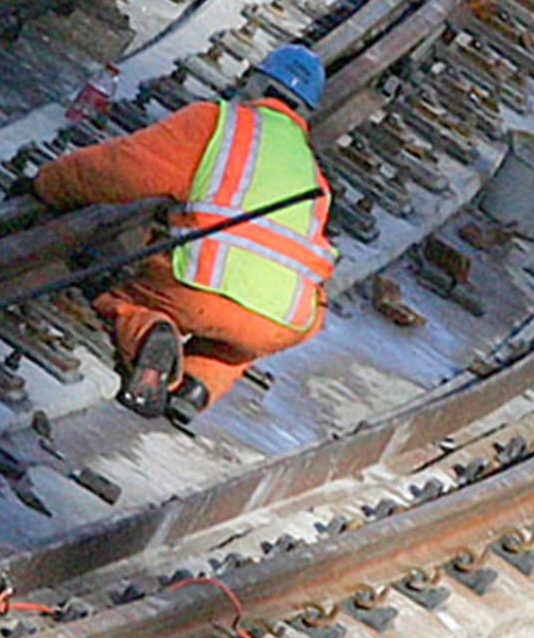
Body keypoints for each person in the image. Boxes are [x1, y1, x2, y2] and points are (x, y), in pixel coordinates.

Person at [33, 44, 335, 417]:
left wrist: (49, 183)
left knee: (123, 296)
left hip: (195, 292)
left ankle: (148, 334)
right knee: (240, 344)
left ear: (253, 82)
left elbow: (121, 169)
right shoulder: (315, 177)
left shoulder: (218, 123)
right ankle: (198, 385)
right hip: (284, 321)